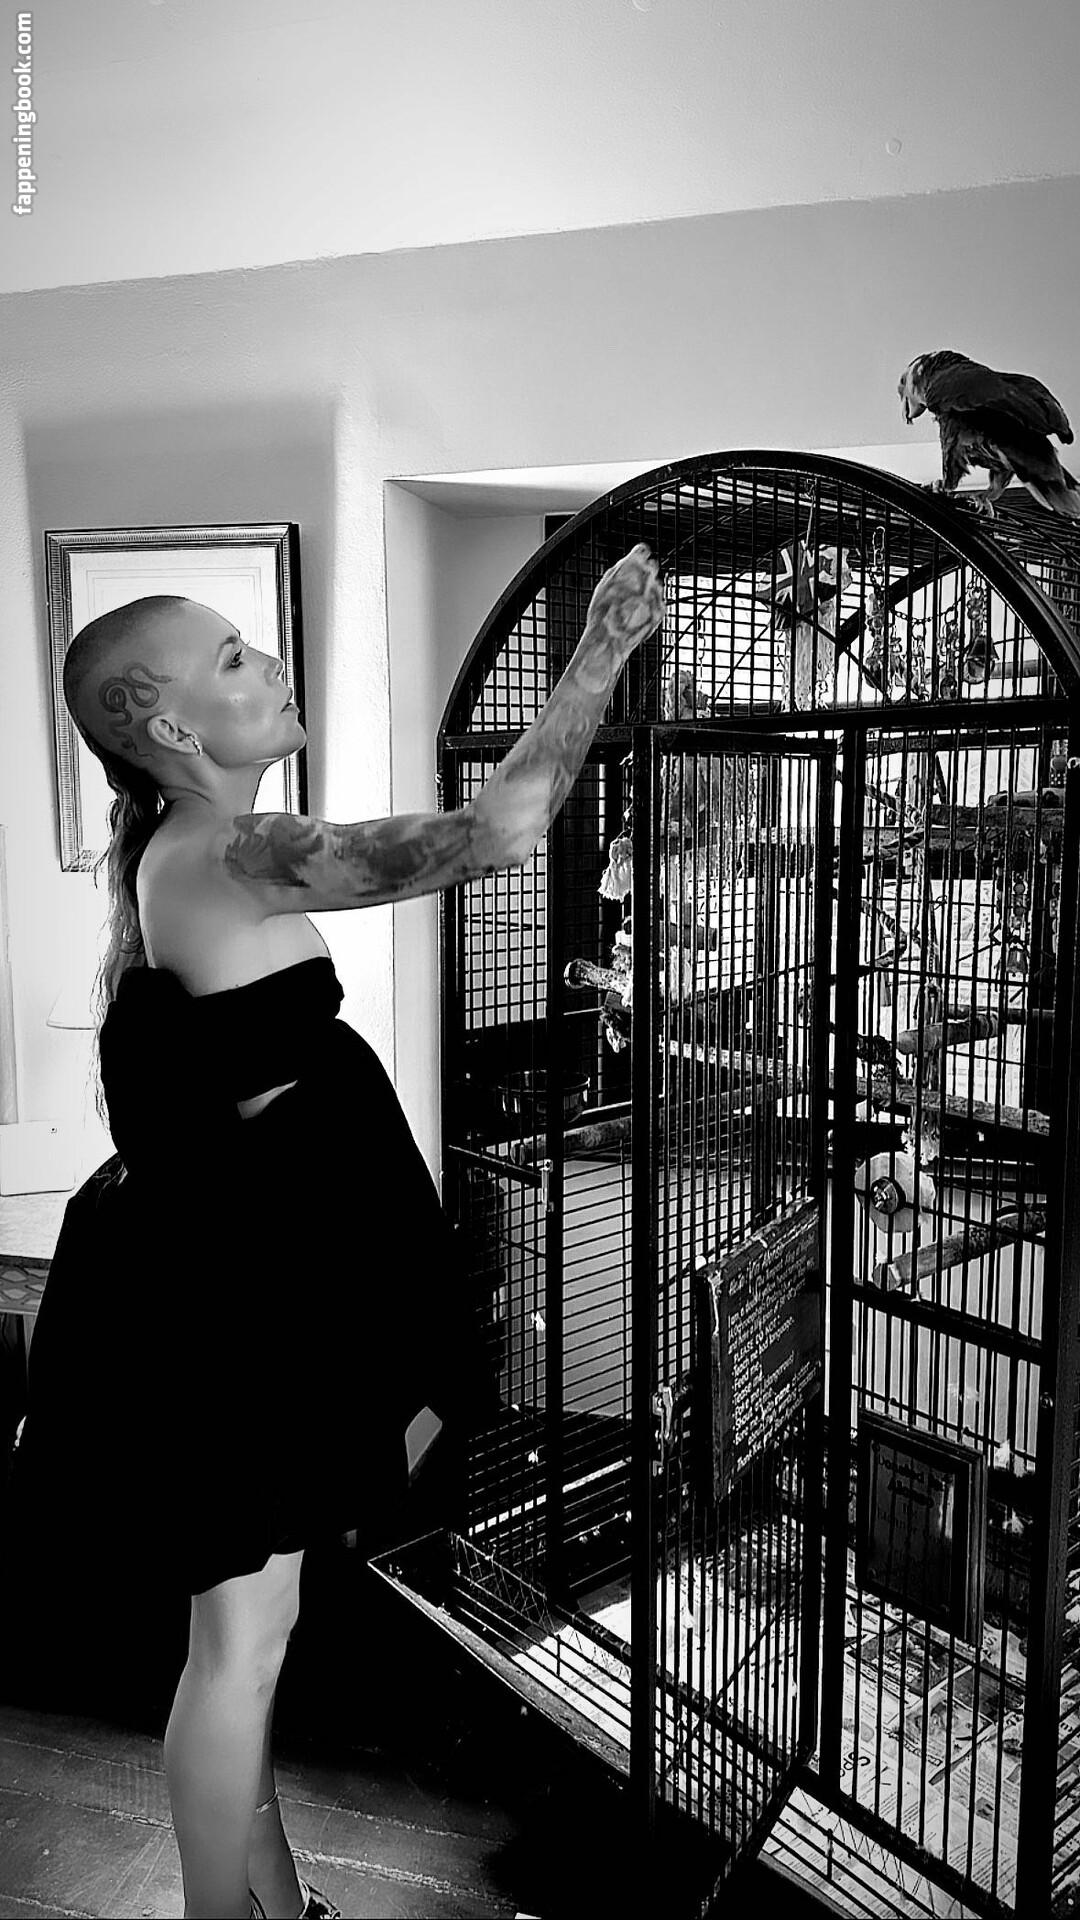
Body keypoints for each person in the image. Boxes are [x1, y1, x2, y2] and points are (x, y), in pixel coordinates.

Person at [3, 542, 663, 1920]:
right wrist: (601, 647)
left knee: (249, 1636)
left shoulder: (192, 856)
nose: (269, 667)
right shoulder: (228, 851)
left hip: (261, 1305)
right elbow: (499, 831)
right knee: (240, 1652)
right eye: (234, 659)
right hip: (248, 1327)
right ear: (174, 728)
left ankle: (274, 1897)